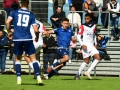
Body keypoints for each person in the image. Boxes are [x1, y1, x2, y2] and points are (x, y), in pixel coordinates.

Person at [5, 0, 43, 85]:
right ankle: (39, 78)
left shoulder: (14, 12)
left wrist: (9, 32)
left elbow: (7, 22)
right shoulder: (31, 14)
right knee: (33, 58)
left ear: (20, 4)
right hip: (28, 39)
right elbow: (36, 29)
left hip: (17, 39)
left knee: (18, 59)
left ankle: (19, 79)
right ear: (28, 5)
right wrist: (36, 37)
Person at [74, 13, 101, 80]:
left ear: (91, 18)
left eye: (88, 19)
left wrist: (96, 42)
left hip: (91, 45)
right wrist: (82, 44)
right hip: (85, 45)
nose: (86, 20)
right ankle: (78, 74)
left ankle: (88, 72)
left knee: (98, 58)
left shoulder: (94, 26)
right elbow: (78, 36)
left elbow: (94, 35)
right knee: (86, 61)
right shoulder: (83, 26)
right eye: (85, 19)